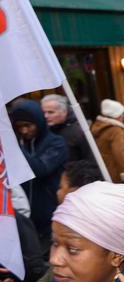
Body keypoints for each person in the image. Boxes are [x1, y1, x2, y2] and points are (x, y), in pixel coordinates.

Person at [12, 100, 68, 244]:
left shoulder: (56, 143)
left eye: (28, 125)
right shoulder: (22, 144)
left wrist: (15, 146)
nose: (24, 130)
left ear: (39, 122)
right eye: (19, 127)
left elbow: (41, 169)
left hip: (52, 216)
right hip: (26, 218)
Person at [90, 99, 124, 184]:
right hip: (117, 175)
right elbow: (120, 154)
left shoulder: (98, 127)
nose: (123, 116)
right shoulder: (116, 131)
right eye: (122, 114)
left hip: (105, 172)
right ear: (117, 115)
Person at [41, 94, 93, 163]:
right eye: (43, 112)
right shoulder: (43, 132)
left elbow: (92, 161)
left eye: (51, 112)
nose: (46, 116)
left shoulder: (79, 131)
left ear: (64, 112)